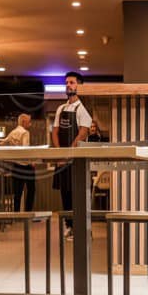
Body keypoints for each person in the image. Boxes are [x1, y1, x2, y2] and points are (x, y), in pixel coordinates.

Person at [51, 71, 92, 237]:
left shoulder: (83, 109)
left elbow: (82, 133)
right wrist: (59, 153)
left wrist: (69, 153)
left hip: (76, 161)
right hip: (62, 160)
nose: (68, 85)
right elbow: (55, 132)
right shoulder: (60, 109)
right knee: (65, 194)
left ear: (79, 86)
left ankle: (81, 228)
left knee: (78, 195)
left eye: (72, 82)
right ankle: (69, 226)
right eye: (67, 82)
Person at [1, 113, 34, 212]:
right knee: (31, 190)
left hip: (16, 166)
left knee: (17, 193)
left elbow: (2, 143)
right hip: (26, 166)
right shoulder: (25, 133)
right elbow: (25, 149)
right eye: (29, 122)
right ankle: (28, 212)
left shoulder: (13, 132)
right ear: (23, 122)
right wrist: (32, 161)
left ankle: (16, 214)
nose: (30, 124)